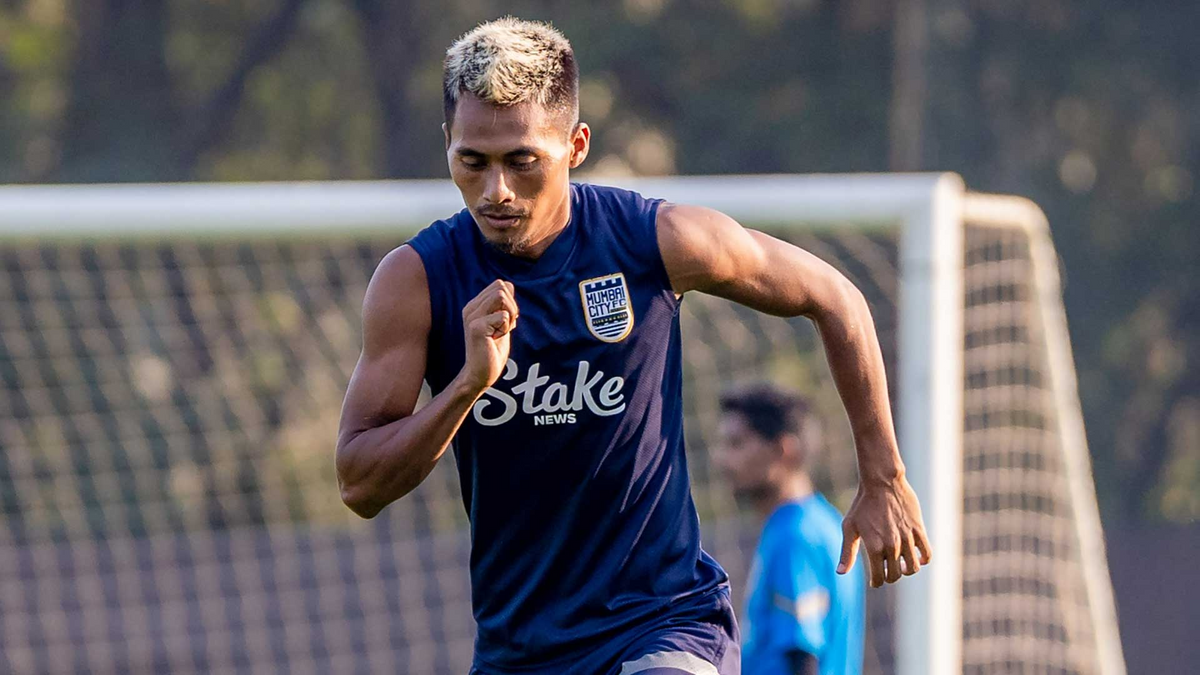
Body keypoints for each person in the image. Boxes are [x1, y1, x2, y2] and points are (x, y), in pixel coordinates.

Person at [335, 16, 930, 675]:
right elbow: (360, 484)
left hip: (663, 622)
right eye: (472, 161)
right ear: (448, 142)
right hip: (520, 650)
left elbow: (835, 296)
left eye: (522, 161)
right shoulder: (417, 280)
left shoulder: (655, 241)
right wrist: (467, 386)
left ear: (576, 145)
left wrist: (883, 475)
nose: (496, 189)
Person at [716, 384, 866, 675]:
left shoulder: (796, 535)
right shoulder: (821, 521)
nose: (722, 460)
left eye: (736, 444)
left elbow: (803, 656)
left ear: (784, 450)